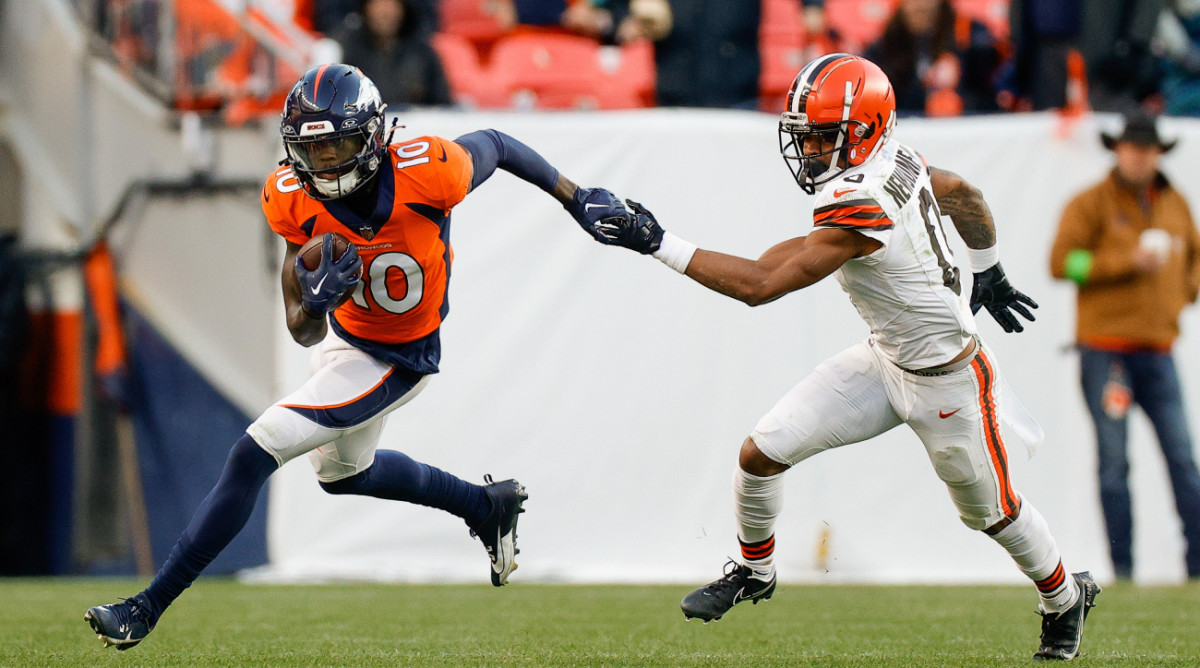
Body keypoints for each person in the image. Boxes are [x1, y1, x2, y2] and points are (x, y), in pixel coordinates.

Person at [83, 63, 633, 650]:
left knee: (254, 453)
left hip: (398, 354)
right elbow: (302, 331)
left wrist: (577, 199)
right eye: (312, 151)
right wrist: (315, 303)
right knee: (343, 475)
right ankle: (483, 505)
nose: (326, 164)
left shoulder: (429, 169)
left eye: (340, 144)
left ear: (372, 136)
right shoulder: (288, 196)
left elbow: (499, 145)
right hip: (347, 341)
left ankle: (145, 607)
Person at [585, 54, 1100, 660]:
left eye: (823, 136)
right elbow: (961, 191)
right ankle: (757, 571)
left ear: (863, 129)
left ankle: (1065, 598)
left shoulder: (865, 194)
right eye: (807, 137)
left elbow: (761, 285)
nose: (810, 151)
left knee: (993, 514)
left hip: (948, 381)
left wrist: (658, 243)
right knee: (761, 452)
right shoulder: (891, 158)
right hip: (886, 360)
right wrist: (989, 269)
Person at [1049, 110, 1200, 581]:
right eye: (1133, 148)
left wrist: (1183, 292)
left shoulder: (1175, 204)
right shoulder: (1089, 203)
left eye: (1148, 149)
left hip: (1158, 349)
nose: (1140, 157)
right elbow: (1062, 264)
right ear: (1118, 151)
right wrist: (1125, 261)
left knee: (1182, 460)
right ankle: (1124, 569)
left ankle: (1196, 567)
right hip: (1106, 350)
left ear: (1158, 153)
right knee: (1115, 463)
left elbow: (1194, 255)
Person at [863, 0, 1003, 116]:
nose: (920, 4)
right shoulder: (885, 46)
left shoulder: (968, 32)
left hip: (966, 126)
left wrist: (961, 63)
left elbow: (995, 88)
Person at [334, 0, 452, 108]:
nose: (386, 12)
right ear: (366, 7)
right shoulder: (343, 49)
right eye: (379, 3)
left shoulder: (423, 52)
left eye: (393, 3)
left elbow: (442, 105)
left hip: (413, 127)